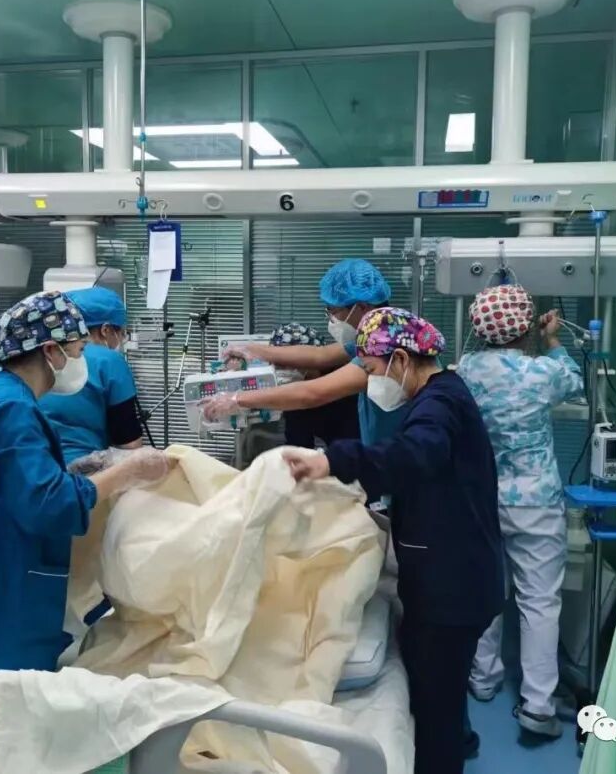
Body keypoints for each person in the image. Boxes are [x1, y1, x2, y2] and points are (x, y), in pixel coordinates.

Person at [0, 291, 172, 740]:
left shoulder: (3, 395)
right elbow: (49, 505)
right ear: (50, 350)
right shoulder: (10, 408)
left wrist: (75, 472)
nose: (81, 361)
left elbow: (15, 481)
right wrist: (126, 471)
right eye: (77, 351)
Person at [283, 307, 503, 774]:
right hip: (458, 574)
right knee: (441, 690)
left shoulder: (439, 406)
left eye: (370, 369)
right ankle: (457, 740)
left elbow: (416, 453)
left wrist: (333, 462)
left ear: (400, 360)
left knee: (437, 706)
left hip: (453, 588)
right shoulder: (444, 394)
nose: (370, 381)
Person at [457, 285, 583, 739]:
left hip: (481, 499)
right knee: (539, 602)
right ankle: (538, 707)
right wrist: (552, 340)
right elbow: (574, 379)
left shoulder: (466, 369)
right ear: (525, 326)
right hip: (535, 501)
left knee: (487, 592)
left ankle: (483, 680)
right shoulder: (542, 372)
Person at [203, 259, 400, 446]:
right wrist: (253, 349)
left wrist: (238, 399)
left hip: (395, 452)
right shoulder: (377, 333)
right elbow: (320, 355)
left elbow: (312, 394)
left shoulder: (384, 346)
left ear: (362, 307)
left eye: (333, 311)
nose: (332, 319)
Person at [40, 286, 142, 465]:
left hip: (33, 467)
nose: (122, 339)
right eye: (121, 333)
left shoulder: (41, 357)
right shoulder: (108, 361)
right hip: (85, 469)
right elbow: (130, 446)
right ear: (106, 330)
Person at [266, 322, 359, 448]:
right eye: (278, 365)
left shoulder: (343, 387)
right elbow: (297, 446)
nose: (283, 371)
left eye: (288, 363)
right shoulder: (295, 395)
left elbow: (352, 450)